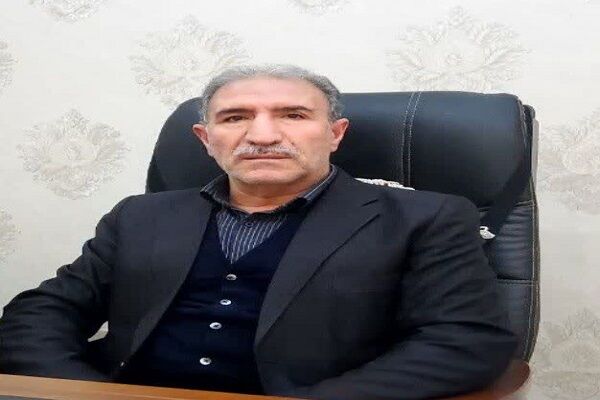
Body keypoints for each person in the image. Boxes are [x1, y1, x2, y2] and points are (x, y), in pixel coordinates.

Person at [0, 65, 517, 400]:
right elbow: (41, 313)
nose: (263, 135)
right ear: (206, 139)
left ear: (335, 134)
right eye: (235, 118)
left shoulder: (426, 217)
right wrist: (86, 392)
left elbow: (464, 340)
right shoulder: (141, 215)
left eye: (293, 115)